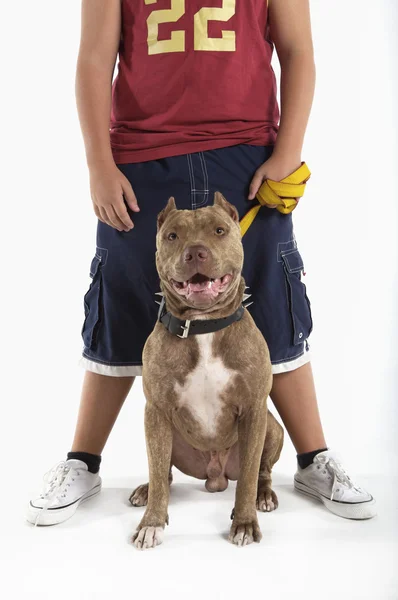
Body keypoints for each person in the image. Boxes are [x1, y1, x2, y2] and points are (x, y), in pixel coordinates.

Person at [27, 0, 375, 526]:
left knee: (270, 294)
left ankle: (313, 457)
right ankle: (83, 461)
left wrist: (288, 151)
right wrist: (99, 163)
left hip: (247, 153)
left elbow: (298, 50)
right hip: (143, 156)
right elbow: (95, 58)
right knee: (121, 296)